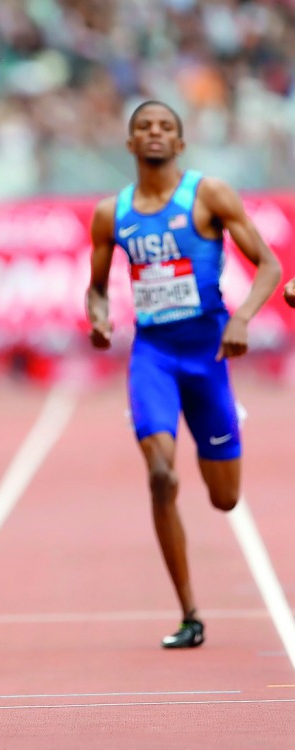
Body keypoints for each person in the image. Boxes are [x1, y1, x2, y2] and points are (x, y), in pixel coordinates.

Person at [86, 100, 281, 649]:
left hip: (208, 355)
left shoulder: (209, 195)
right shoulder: (112, 213)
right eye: (144, 127)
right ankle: (189, 613)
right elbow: (97, 287)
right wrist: (98, 316)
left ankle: (211, 443)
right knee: (161, 476)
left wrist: (241, 318)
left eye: (165, 127)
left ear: (180, 142)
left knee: (224, 499)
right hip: (153, 356)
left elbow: (270, 264)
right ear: (129, 143)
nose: (154, 133)